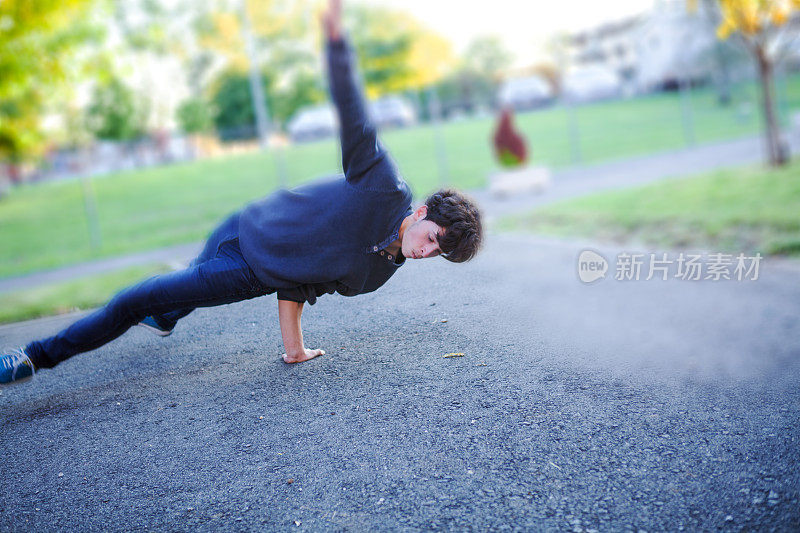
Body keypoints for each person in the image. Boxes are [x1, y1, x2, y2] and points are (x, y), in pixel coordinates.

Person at [0, 0, 482, 385]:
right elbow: (356, 116)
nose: (428, 251)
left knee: (135, 299)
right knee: (176, 290)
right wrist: (337, 42)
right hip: (246, 223)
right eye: (435, 237)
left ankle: (32, 358)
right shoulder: (384, 186)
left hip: (248, 271)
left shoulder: (377, 274)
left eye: (438, 253)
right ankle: (169, 312)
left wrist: (294, 349)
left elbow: (300, 283)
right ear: (421, 211)